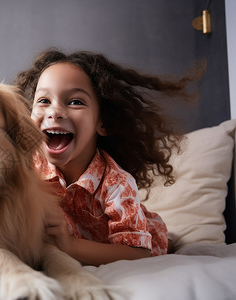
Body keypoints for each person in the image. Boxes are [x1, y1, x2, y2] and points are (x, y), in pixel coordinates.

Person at [15, 49, 203, 266]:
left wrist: (68, 245)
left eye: (75, 102)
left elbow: (138, 254)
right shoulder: (28, 165)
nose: (54, 111)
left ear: (103, 123)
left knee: (159, 240)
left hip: (140, 241)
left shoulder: (116, 183)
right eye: (44, 100)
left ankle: (171, 239)